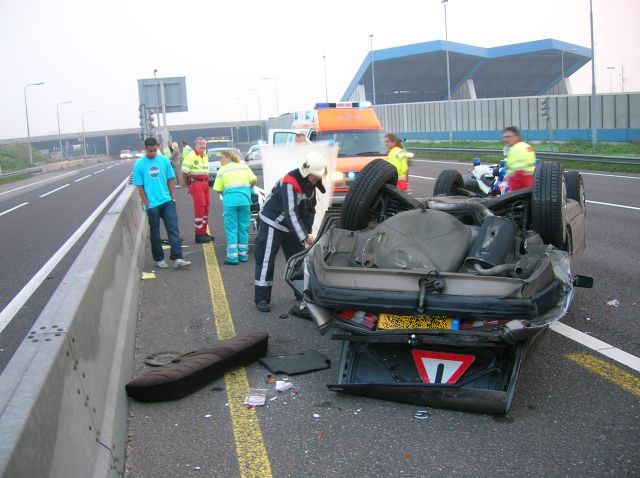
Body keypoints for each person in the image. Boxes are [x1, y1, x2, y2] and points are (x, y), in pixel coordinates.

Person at [254, 152, 328, 313]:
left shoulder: (311, 185)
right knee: (266, 261)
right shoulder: (289, 182)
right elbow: (291, 212)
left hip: (291, 226)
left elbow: (310, 210)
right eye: (315, 176)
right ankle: (261, 298)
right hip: (273, 223)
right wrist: (304, 236)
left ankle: (301, 293)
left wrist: (306, 231)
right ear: (308, 173)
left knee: (297, 261)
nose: (317, 179)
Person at [132, 137, 191, 269]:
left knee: (173, 229)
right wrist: (146, 204)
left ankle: (178, 258)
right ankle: (159, 259)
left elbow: (171, 179)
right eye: (150, 151)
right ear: (145, 148)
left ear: (157, 148)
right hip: (152, 204)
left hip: (167, 201)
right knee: (155, 233)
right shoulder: (139, 165)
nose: (152, 153)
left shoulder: (164, 160)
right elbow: (140, 187)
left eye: (154, 150)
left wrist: (173, 197)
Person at [212, 150, 257, 265]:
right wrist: (246, 189)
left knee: (231, 229)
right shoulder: (243, 167)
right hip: (245, 201)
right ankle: (243, 255)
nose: (220, 160)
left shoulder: (222, 170)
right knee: (243, 228)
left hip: (230, 202)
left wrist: (226, 192)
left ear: (228, 157)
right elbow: (254, 180)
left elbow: (217, 188)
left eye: (221, 158)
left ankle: (233, 257)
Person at [182, 137, 213, 244]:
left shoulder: (205, 156)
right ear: (196, 145)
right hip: (196, 183)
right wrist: (188, 185)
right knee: (200, 207)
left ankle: (203, 232)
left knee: (206, 207)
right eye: (201, 145)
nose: (203, 146)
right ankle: (199, 234)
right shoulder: (190, 156)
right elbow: (184, 172)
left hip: (205, 183)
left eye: (204, 145)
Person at [502, 126, 536, 191]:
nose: (506, 140)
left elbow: (519, 173)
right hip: (529, 185)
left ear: (516, 136)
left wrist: (512, 192)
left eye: (508, 137)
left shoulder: (517, 149)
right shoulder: (525, 146)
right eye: (504, 137)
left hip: (520, 188)